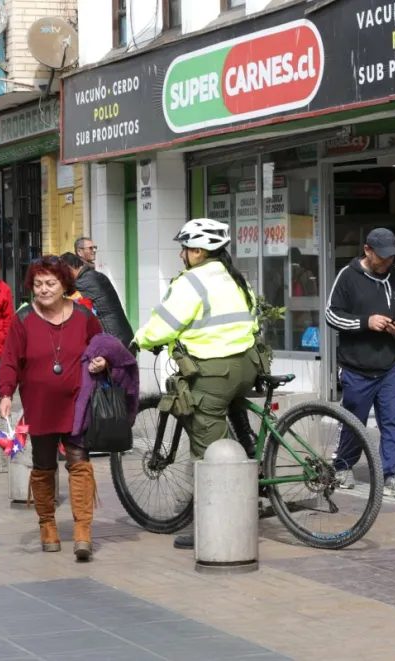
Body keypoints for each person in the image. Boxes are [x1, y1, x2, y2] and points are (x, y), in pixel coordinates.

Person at [133, 218, 265, 550]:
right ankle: (251, 461)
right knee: (231, 416)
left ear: (197, 251)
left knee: (206, 444)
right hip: (247, 365)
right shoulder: (237, 279)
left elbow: (165, 323)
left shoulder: (192, 282)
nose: (182, 254)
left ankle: (213, 521)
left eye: (185, 248)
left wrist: (138, 341)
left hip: (215, 370)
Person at [0, 256, 103, 560]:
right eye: (38, 284)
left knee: (79, 460)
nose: (43, 290)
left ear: (64, 285)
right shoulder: (23, 319)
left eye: (50, 283)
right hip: (39, 404)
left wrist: (102, 361)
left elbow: (101, 345)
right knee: (43, 464)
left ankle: (83, 530)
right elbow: (9, 360)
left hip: (76, 402)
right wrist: (5, 393)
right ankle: (47, 526)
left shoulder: (84, 316)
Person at [326, 227, 395, 498]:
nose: (388, 262)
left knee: (393, 422)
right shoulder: (347, 276)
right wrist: (366, 322)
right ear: (367, 250)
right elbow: (332, 315)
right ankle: (342, 467)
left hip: (392, 365)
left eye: (392, 258)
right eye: (383, 257)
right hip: (357, 367)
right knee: (354, 421)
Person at [60, 252, 134, 348]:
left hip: (113, 339)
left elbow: (63, 297)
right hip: (124, 334)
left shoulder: (83, 282)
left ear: (70, 269)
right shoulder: (96, 275)